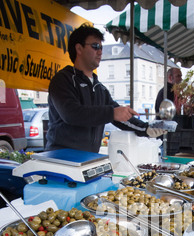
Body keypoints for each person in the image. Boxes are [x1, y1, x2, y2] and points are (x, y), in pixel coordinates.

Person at [46, 24, 165, 153]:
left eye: (101, 47)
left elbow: (119, 116)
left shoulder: (100, 88)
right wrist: (112, 113)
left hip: (88, 159)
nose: (100, 51)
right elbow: (72, 114)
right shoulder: (63, 80)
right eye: (95, 46)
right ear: (79, 49)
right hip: (61, 159)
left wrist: (146, 129)